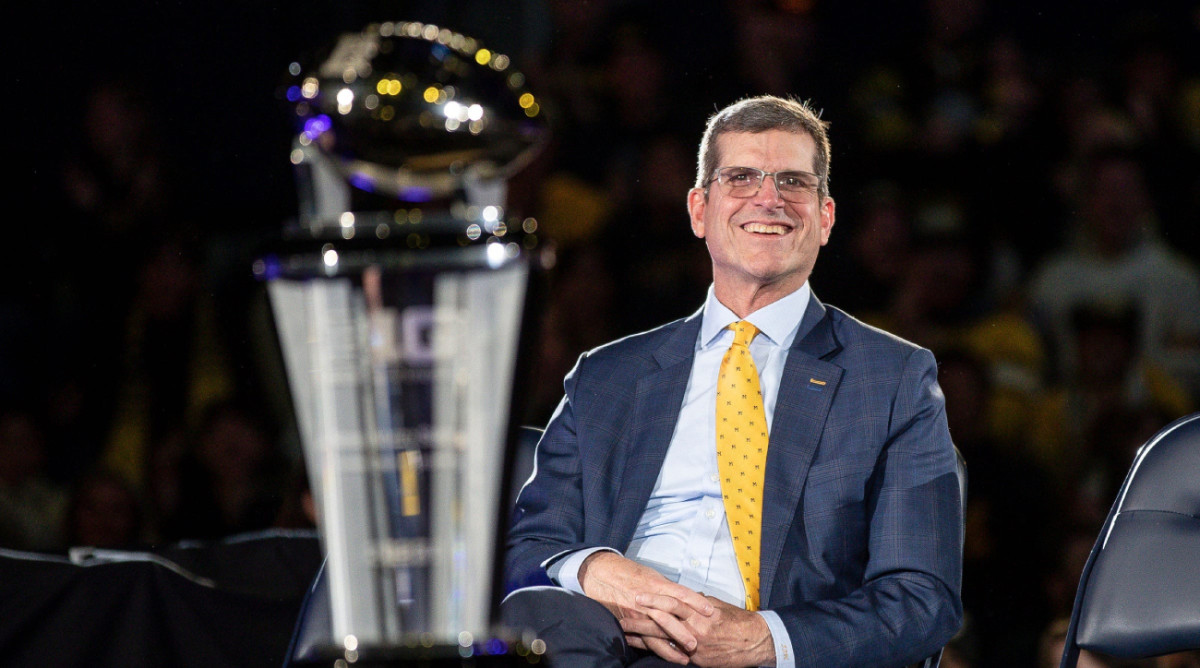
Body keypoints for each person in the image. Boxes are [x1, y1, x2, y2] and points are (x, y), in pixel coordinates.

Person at [503, 96, 963, 668]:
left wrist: (764, 639)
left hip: (771, 653)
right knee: (537, 619)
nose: (768, 198)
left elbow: (922, 600)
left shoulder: (892, 380)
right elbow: (527, 547)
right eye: (741, 177)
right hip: (610, 644)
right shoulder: (605, 377)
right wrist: (597, 570)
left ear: (824, 219)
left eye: (793, 181)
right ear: (699, 210)